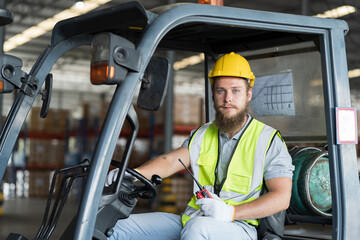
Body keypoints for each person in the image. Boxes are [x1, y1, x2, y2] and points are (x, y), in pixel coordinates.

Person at [106, 52, 294, 240]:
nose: (228, 98)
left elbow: (281, 197)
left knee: (198, 228)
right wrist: (132, 173)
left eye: (235, 90)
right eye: (221, 91)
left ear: (248, 95)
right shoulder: (203, 134)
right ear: (213, 94)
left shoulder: (268, 139)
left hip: (238, 227)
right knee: (117, 228)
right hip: (193, 219)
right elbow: (170, 161)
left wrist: (231, 213)